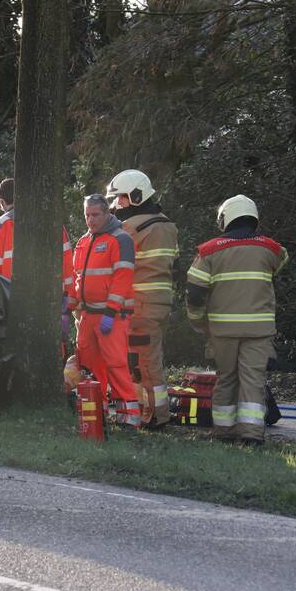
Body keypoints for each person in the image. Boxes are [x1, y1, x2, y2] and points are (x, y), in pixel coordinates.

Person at [186, 195, 287, 446]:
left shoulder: (208, 252)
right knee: (253, 380)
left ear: (225, 218)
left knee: (226, 379)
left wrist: (198, 322)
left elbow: (195, 292)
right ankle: (252, 435)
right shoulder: (271, 248)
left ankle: (223, 432)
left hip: (223, 330)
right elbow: (282, 261)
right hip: (259, 330)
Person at [106, 169, 179, 429]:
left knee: (142, 363)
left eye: (121, 199)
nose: (116, 205)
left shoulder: (131, 228)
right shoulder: (167, 225)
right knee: (149, 360)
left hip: (140, 303)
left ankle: (153, 416)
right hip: (158, 303)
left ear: (137, 196)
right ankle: (149, 412)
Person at [66, 194, 140, 427]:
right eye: (87, 215)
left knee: (117, 365)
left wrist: (110, 311)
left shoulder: (120, 239)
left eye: (95, 215)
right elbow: (79, 278)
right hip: (88, 315)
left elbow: (123, 278)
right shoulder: (84, 241)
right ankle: (99, 413)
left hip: (112, 316)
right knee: (89, 365)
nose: (90, 220)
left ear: (107, 213)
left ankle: (129, 417)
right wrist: (70, 304)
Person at [0, 178, 74, 288]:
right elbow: (67, 259)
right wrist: (68, 292)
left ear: (2, 202)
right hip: (52, 294)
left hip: (13, 296)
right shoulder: (53, 221)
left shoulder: (1, 225)